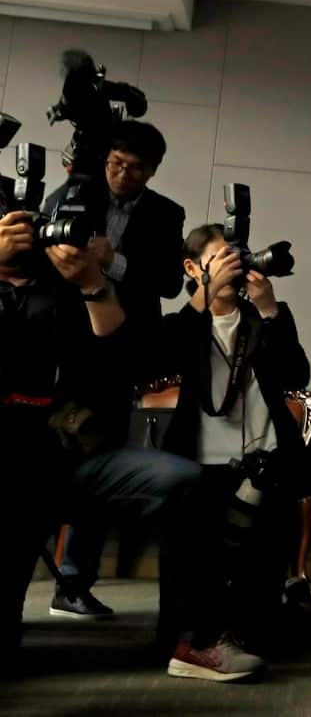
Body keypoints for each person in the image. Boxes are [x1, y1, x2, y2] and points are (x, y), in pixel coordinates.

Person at [0, 205, 198, 670]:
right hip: (8, 467)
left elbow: (125, 358)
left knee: (184, 482)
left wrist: (93, 282)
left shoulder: (64, 290)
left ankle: (184, 642)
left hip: (68, 458)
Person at [145, 223, 311, 681]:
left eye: (235, 259)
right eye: (221, 258)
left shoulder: (264, 317)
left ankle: (251, 633)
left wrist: (269, 307)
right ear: (192, 266)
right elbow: (158, 359)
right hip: (201, 461)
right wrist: (203, 296)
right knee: (197, 558)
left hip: (266, 454)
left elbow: (296, 372)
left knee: (263, 554)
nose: (232, 268)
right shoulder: (183, 323)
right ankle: (192, 641)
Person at [44, 120, 187, 619]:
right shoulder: (76, 193)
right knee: (47, 458)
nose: (122, 175)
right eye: (115, 163)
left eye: (134, 168)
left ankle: (73, 581)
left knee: (101, 458)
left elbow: (171, 283)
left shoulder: (167, 214)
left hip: (122, 351)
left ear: (152, 171)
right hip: (62, 345)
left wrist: (115, 261)